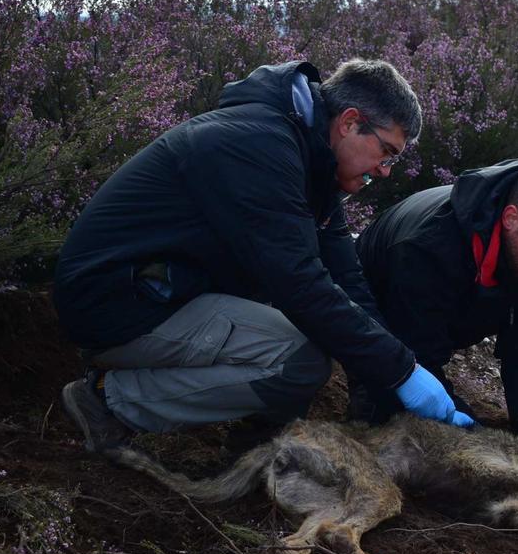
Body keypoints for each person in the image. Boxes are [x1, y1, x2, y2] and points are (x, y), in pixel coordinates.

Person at [54, 59, 472, 455]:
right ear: (349, 123)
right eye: (388, 152)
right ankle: (108, 401)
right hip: (116, 305)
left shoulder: (311, 168)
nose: (385, 171)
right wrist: (402, 373)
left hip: (162, 291)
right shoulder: (259, 147)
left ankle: (261, 441)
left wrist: (398, 375)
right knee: (301, 360)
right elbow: (299, 283)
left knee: (307, 331)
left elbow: (348, 281)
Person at [354, 159, 518, 437]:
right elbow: (417, 357)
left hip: (467, 297)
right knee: (391, 417)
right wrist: (474, 429)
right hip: (376, 311)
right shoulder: (428, 247)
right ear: (511, 219)